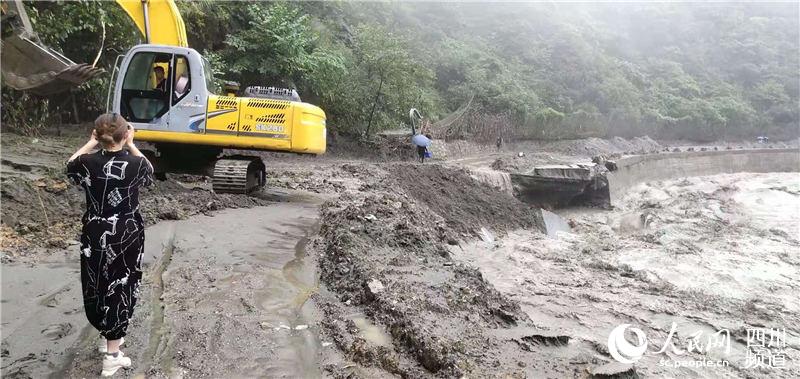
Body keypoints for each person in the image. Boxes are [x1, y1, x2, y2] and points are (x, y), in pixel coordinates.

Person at [66, 113, 153, 377]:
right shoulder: (135, 164)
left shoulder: (86, 162)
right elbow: (149, 171)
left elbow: (70, 165)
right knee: (121, 285)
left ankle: (107, 336)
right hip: (125, 233)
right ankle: (113, 355)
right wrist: (132, 144)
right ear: (125, 135)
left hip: (94, 230)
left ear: (97, 135)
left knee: (96, 282)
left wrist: (90, 144)